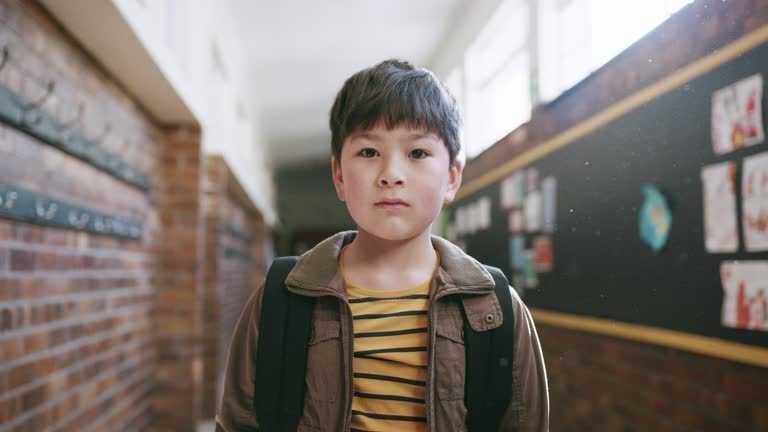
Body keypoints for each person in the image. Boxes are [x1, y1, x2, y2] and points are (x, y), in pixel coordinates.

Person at [215, 59, 549, 431]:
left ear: (452, 177)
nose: (391, 174)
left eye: (417, 153)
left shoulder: (494, 309)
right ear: (339, 176)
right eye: (369, 152)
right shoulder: (283, 296)